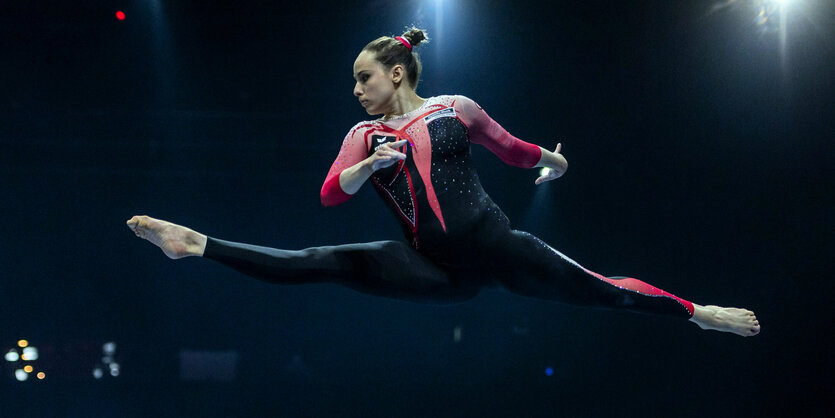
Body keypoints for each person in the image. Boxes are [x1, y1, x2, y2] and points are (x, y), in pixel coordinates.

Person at [127, 28, 760, 337]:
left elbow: (513, 152)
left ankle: (697, 313)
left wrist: (556, 164)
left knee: (598, 289)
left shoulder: (454, 108)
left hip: (496, 246)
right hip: (433, 270)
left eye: (364, 78)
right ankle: (195, 244)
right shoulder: (361, 136)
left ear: (397, 73)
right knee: (322, 261)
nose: (356, 90)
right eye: (354, 82)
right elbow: (328, 195)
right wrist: (367, 166)